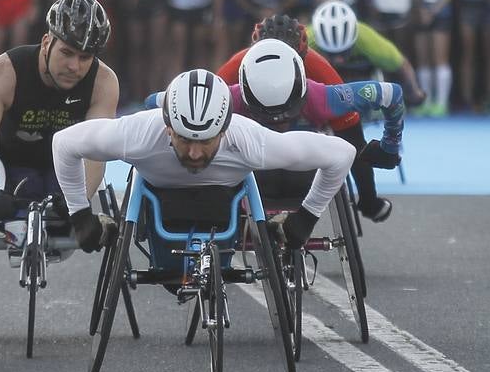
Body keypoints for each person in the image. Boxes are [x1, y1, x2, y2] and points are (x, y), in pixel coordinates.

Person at [51, 68, 357, 258]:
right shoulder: (139, 132)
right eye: (185, 139)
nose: (195, 154)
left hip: (223, 208)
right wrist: (80, 217)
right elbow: (64, 143)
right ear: (167, 125)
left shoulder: (248, 139)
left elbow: (341, 154)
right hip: (158, 209)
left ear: (224, 129)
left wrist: (304, 220)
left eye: (206, 141)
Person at [216, 14, 397, 222]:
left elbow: (351, 133)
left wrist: (367, 196)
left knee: (353, 139)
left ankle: (369, 201)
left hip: (300, 140)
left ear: (302, 55)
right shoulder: (235, 67)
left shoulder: (318, 68)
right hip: (255, 143)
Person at [0, 0, 121, 224]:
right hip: (15, 165)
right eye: (66, 52)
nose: (74, 66)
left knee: (63, 204)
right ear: (47, 43)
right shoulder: (3, 72)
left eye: (85, 57)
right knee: (29, 185)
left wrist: (80, 201)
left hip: (68, 169)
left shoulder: (103, 83)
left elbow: (96, 155)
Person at [308, 0, 426, 106]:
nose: (339, 60)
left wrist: (414, 93)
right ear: (317, 41)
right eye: (331, 54)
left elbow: (401, 65)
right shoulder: (306, 41)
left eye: (344, 52)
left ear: (354, 38)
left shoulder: (367, 39)